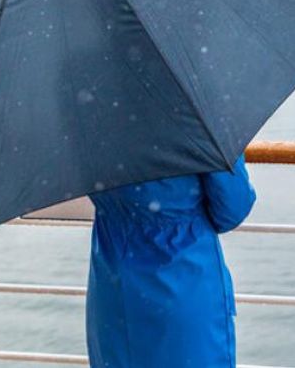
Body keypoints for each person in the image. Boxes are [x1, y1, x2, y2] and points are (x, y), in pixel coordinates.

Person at [87, 154, 256, 367]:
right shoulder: (196, 123)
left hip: (111, 283)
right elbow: (232, 208)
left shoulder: (89, 124)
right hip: (183, 280)